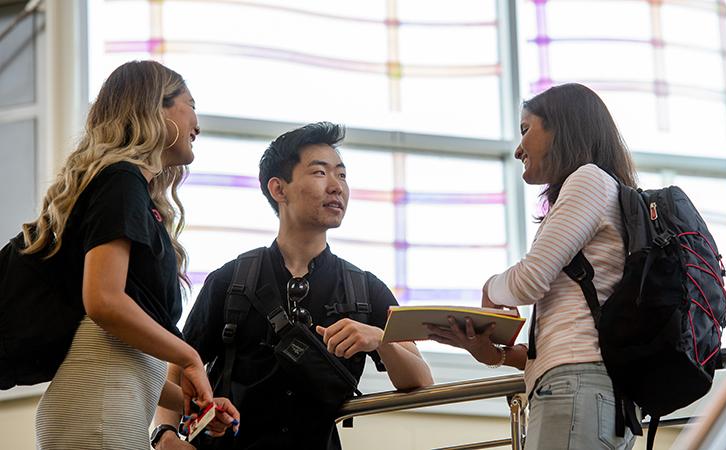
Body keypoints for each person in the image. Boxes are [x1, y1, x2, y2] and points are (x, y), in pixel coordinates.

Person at [153, 122, 433, 450]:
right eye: (320, 173)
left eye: (342, 175)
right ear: (278, 189)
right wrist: (165, 436)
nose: (337, 187)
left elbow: (421, 380)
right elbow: (179, 370)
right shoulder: (230, 281)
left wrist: (380, 340)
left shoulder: (365, 289)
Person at [28, 60, 239, 450]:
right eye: (190, 104)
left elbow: (125, 350)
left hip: (108, 401)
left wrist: (189, 403)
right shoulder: (121, 180)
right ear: (157, 108)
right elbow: (103, 302)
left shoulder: (132, 192)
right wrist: (190, 357)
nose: (198, 123)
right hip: (99, 406)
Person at [428, 83, 638, 449]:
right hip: (587, 392)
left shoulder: (588, 180)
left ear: (562, 127)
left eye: (526, 129)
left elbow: (529, 280)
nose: (517, 149)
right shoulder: (604, 190)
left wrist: (489, 289)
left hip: (578, 390)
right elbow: (572, 335)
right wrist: (494, 354)